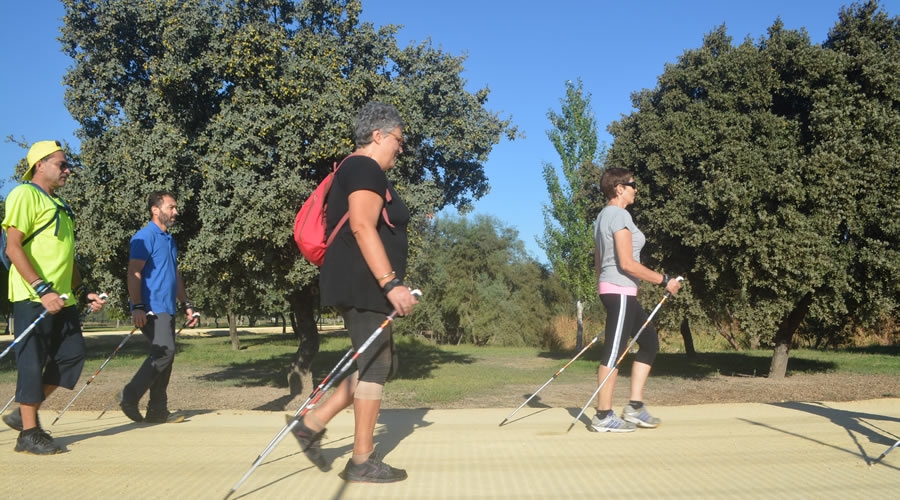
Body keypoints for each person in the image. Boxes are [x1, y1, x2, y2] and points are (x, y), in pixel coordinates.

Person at [290, 102, 419, 482]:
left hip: (362, 279)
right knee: (376, 365)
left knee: (382, 363)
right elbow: (362, 225)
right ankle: (359, 459)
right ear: (378, 135)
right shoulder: (364, 167)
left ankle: (311, 424)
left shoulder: (358, 168)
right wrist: (390, 283)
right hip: (363, 281)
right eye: (399, 138)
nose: (401, 146)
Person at [1, 140, 106, 454]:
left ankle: (23, 413)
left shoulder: (61, 205)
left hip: (62, 300)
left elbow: (66, 257)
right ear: (40, 165)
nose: (68, 170)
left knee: (72, 357)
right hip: (33, 297)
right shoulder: (25, 195)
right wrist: (42, 289)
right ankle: (29, 435)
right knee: (32, 363)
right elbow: (12, 247)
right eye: (62, 164)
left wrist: (81, 291)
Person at [590, 167, 681, 432]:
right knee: (615, 352)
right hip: (619, 290)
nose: (635, 189)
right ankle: (603, 416)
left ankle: (634, 407)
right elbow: (628, 264)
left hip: (618, 291)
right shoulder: (619, 215)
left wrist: (603, 284)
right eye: (632, 184)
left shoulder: (602, 217)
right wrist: (664, 280)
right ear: (619, 188)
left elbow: (599, 260)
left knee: (649, 342)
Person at [119, 191, 198, 424]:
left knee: (166, 355)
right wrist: (138, 307)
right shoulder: (145, 237)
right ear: (156, 210)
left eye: (175, 207)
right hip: (151, 307)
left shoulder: (169, 240)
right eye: (171, 207)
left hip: (168, 307)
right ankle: (130, 396)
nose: (176, 212)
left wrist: (187, 304)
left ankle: (157, 410)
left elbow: (175, 275)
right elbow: (133, 273)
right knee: (165, 351)